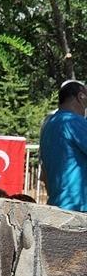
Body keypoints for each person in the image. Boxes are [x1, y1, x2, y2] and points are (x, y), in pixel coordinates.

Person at [39, 79, 87, 212]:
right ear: (80, 96)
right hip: (79, 207)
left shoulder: (49, 125)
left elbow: (44, 174)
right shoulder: (73, 121)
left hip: (58, 204)